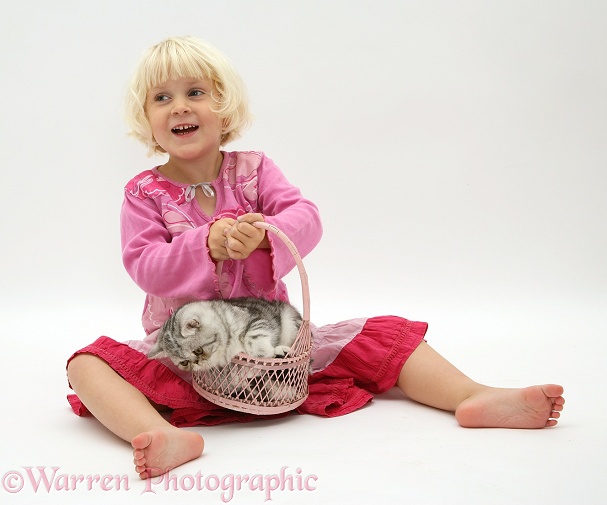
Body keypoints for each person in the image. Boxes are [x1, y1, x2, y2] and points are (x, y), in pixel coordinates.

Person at [66, 36, 565, 480]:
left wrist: (265, 237)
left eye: (195, 92)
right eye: (162, 98)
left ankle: (470, 394)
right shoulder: (145, 192)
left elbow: (306, 216)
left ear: (223, 107)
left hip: (275, 356)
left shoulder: (253, 170)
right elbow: (144, 264)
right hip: (188, 357)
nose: (179, 107)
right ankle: (162, 434)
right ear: (147, 120)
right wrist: (205, 244)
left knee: (383, 336)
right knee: (88, 365)